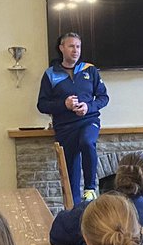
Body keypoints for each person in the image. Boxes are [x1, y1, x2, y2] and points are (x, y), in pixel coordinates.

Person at [38, 32, 109, 203]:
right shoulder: (50, 74)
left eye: (78, 46)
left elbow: (103, 98)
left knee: (87, 142)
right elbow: (42, 105)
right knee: (72, 176)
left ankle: (90, 188)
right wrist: (64, 105)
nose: (75, 50)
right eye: (71, 46)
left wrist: (88, 107)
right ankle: (74, 214)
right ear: (62, 48)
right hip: (65, 128)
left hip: (88, 121)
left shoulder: (90, 70)